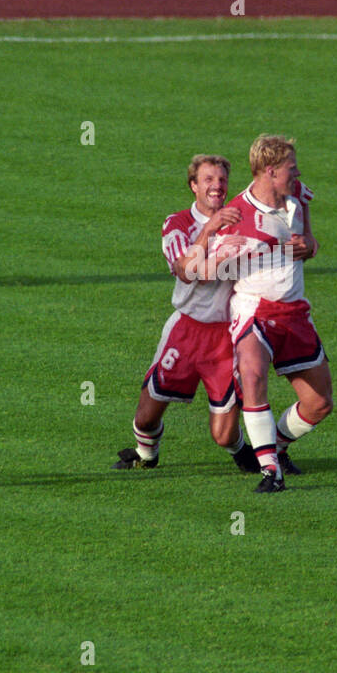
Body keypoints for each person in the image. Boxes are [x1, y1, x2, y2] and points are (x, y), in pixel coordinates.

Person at [112, 155, 260, 474]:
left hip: (226, 337)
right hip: (186, 330)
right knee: (145, 417)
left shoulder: (243, 221)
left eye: (221, 180)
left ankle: (243, 451)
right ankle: (147, 456)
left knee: (223, 436)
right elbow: (187, 272)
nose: (216, 186)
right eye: (208, 179)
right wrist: (209, 230)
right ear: (193, 186)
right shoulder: (177, 224)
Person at [216, 135, 331, 493]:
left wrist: (307, 246)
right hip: (254, 309)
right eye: (291, 168)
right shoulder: (236, 215)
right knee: (252, 376)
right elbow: (214, 269)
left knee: (320, 403)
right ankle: (270, 471)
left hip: (295, 312)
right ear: (270, 171)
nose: (297, 173)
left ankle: (275, 448)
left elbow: (310, 243)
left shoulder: (298, 196)